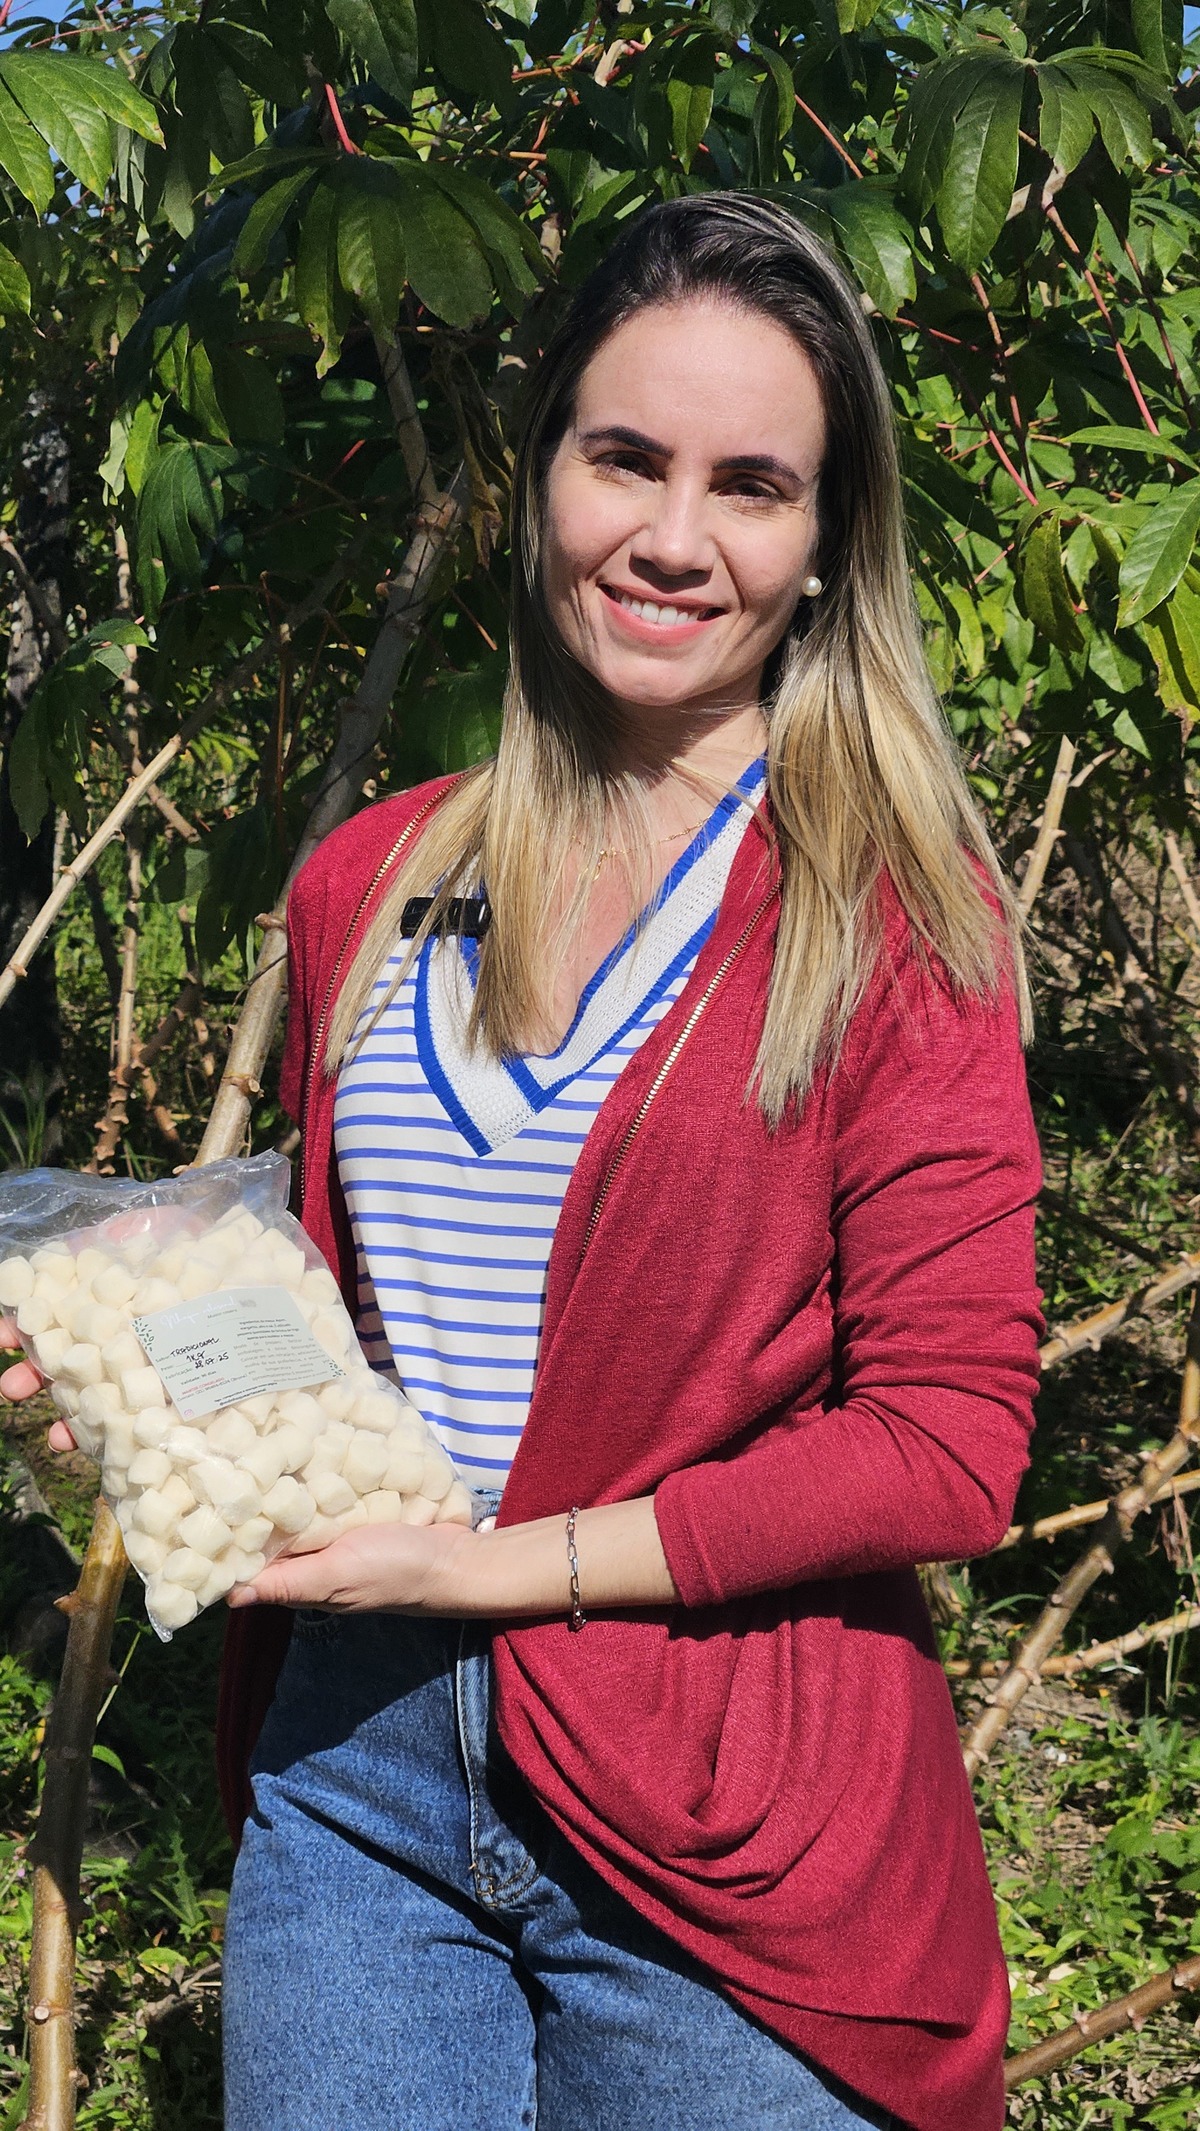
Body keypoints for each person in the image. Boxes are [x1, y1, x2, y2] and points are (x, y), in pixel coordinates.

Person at [8, 194, 1042, 2131]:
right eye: (625, 458)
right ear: (539, 473)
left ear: (827, 545)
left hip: (721, 1793)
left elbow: (947, 1444)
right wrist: (139, 1403)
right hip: (357, 1772)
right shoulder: (374, 879)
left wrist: (497, 1569)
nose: (675, 536)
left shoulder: (892, 919)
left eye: (751, 486)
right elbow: (333, 1338)